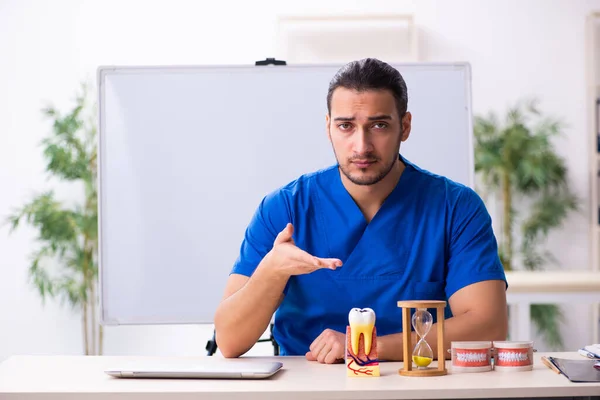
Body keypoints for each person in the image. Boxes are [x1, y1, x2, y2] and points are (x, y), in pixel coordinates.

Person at [214, 58, 508, 364]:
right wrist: (271, 271)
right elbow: (229, 340)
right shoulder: (285, 209)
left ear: (404, 127)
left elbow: (488, 327)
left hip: (419, 386)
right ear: (328, 127)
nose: (361, 146)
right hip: (308, 390)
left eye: (379, 125)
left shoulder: (455, 207)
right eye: (346, 126)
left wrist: (365, 347)